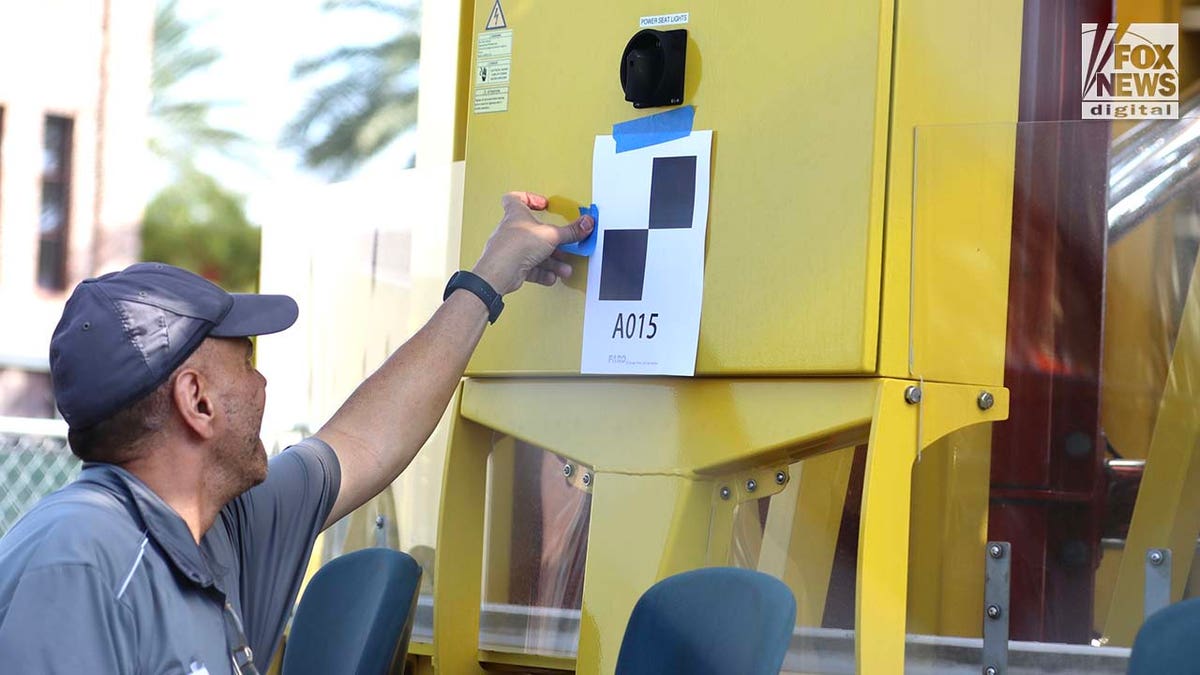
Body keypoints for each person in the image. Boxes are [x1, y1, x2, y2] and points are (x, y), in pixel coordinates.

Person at [0, 192, 593, 674]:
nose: (261, 385)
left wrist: (488, 279)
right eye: (247, 359)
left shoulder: (220, 526)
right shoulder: (77, 563)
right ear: (197, 401)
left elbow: (364, 439)